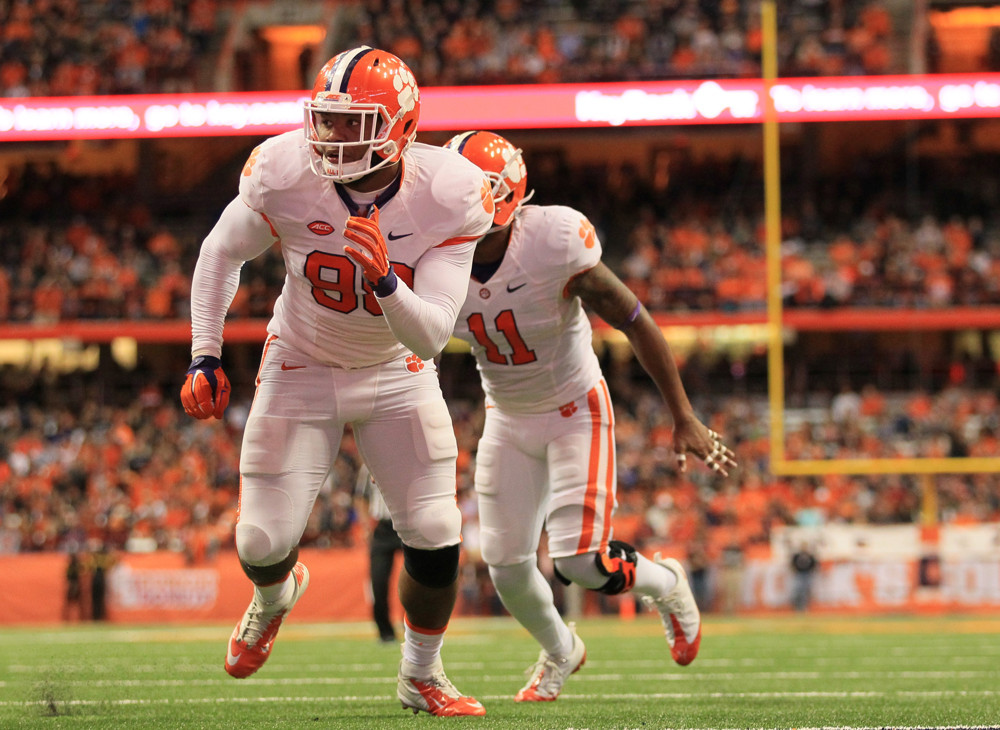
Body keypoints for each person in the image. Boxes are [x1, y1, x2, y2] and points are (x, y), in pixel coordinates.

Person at [180, 46, 494, 717]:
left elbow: (432, 334)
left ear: (404, 128)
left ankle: (421, 675)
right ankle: (274, 594)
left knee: (436, 528)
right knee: (259, 543)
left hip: (395, 368)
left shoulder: (450, 192)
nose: (333, 139)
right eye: (327, 120)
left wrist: (384, 280)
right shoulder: (285, 168)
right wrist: (205, 352)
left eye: (356, 125)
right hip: (301, 358)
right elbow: (219, 251)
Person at [443, 130, 737, 702]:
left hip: (574, 408)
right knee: (505, 567)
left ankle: (667, 584)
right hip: (506, 415)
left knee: (581, 561)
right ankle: (560, 649)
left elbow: (636, 321)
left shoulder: (553, 242)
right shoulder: (428, 255)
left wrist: (683, 415)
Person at [353, 463, 403, 643]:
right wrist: (366, 525)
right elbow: (360, 497)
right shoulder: (368, 465)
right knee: (378, 581)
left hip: (408, 525)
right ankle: (385, 631)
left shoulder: (408, 459)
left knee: (415, 578)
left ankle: (414, 628)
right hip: (382, 528)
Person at [790, 541, 819, 611]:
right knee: (798, 590)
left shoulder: (810, 555)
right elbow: (792, 564)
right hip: (799, 574)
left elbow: (814, 564)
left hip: (807, 574)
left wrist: (812, 571)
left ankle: (805, 607)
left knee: (806, 591)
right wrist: (794, 570)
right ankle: (797, 606)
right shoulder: (797, 555)